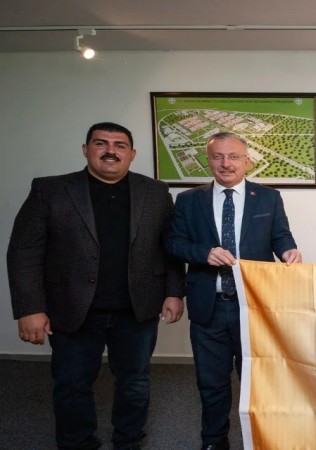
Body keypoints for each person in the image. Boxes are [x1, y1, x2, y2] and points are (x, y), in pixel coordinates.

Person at [6, 122, 186, 450]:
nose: (110, 151)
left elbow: (169, 246)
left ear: (132, 154)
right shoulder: (50, 190)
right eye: (101, 143)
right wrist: (30, 308)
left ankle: (129, 442)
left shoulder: (156, 192)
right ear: (85, 149)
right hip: (71, 308)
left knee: (135, 383)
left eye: (119, 145)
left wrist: (174, 292)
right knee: (72, 385)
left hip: (137, 308)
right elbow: (24, 251)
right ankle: (77, 443)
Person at [165, 131, 301, 450]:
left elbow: (280, 236)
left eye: (233, 156)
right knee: (211, 383)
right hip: (208, 306)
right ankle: (214, 441)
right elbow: (173, 243)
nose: (226, 163)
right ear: (208, 160)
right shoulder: (188, 200)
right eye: (218, 156)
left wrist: (288, 250)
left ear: (247, 161)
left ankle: (263, 441)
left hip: (254, 306)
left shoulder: (268, 198)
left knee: (259, 383)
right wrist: (204, 253)